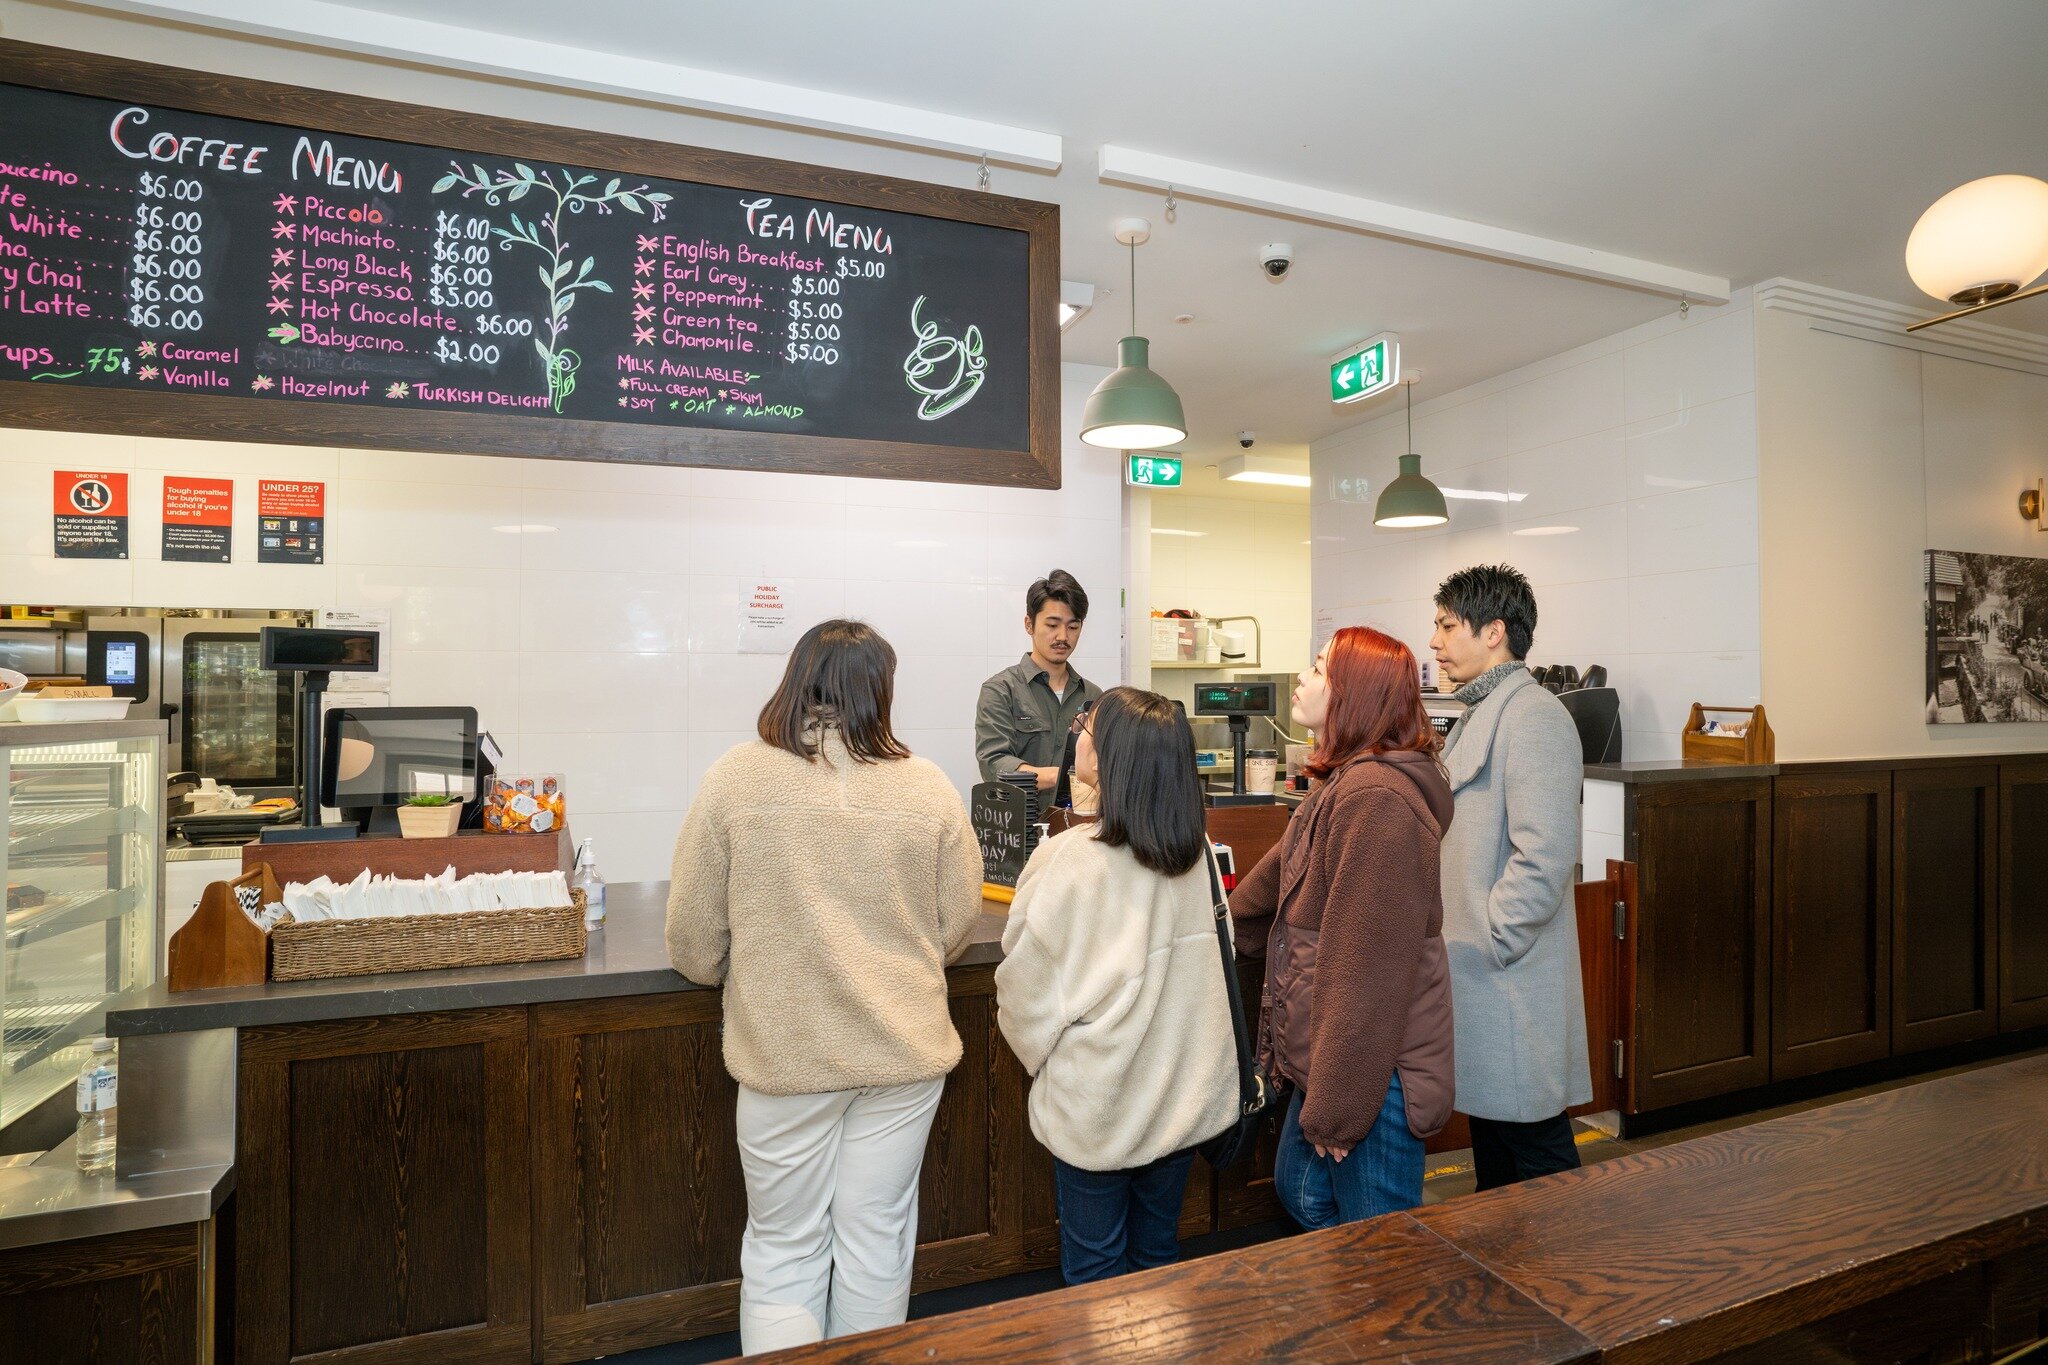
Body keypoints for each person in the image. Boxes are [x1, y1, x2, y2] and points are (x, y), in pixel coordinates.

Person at [666, 619, 983, 1353]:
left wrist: (745, 969)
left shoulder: (735, 778)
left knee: (784, 1247)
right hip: (901, 1056)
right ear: (880, 692)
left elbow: (690, 939)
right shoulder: (927, 786)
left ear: (795, 679)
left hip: (786, 1060)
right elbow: (956, 923)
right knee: (875, 1239)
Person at [994, 687, 1236, 1283]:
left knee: (1095, 1272)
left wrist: (1043, 1065)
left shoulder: (1069, 861)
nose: (1077, 735)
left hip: (1099, 1108)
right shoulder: (1198, 850)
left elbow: (1023, 995)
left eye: (1087, 729)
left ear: (1106, 758)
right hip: (1178, 1100)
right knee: (1158, 1259)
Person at [1228, 627, 1456, 1228]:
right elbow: (1279, 876)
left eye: (1320, 669)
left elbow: (1368, 977)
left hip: (1371, 1076)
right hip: (1333, 1058)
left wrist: (1338, 1110)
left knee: (1381, 1251)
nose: (1302, 678)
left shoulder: (1376, 801)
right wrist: (1226, 928)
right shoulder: (1345, 785)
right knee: (1299, 1189)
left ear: (1354, 695)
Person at [1429, 564, 1591, 1191]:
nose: (1436, 643)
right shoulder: (1481, 711)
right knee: (1496, 1151)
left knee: (1536, 1149)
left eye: (1447, 627)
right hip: (1481, 974)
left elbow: (1545, 858)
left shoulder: (1533, 717)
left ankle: (1574, 1285)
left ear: (1493, 631)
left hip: (1509, 975)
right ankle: (1505, 1276)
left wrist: (1493, 935)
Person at [975, 570, 1102, 803]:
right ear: (1029, 624)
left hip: (1077, 830)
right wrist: (1066, 774)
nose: (1062, 636)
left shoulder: (1094, 697)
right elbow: (995, 765)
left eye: (1073, 627)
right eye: (1052, 625)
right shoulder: (1000, 691)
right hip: (1020, 831)